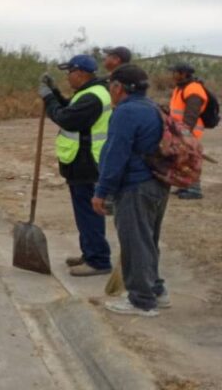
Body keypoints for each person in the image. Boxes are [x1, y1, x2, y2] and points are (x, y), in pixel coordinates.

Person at [92, 64, 169, 317]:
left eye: (110, 86)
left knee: (135, 242)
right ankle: (156, 290)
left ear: (117, 87)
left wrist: (102, 191)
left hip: (136, 186)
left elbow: (116, 155)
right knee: (148, 240)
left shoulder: (126, 113)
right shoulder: (151, 108)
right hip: (156, 184)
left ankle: (141, 300)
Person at [38, 54, 112, 276]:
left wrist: (49, 98)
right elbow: (70, 108)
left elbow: (66, 118)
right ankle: (89, 253)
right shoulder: (90, 93)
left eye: (69, 72)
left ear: (81, 73)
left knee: (88, 213)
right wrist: (56, 94)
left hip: (86, 163)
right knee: (85, 212)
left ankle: (98, 260)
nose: (68, 77)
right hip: (82, 161)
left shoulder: (92, 97)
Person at [169, 62, 207, 199]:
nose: (173, 75)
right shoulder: (181, 88)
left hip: (189, 132)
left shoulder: (193, 89)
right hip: (181, 130)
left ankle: (195, 189)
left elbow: (191, 114)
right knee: (182, 159)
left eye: (175, 72)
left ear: (184, 74)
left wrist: (185, 134)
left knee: (191, 160)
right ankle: (186, 185)